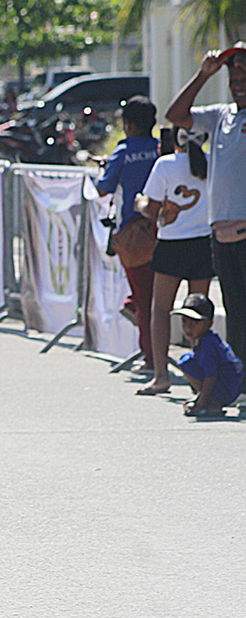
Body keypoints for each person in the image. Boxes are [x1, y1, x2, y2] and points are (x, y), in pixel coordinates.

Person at [165, 43, 246, 395]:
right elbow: (176, 115)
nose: (238, 82)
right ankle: (241, 388)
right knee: (236, 312)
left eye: (244, 75)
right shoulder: (221, 116)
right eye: (233, 76)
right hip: (222, 234)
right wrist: (203, 75)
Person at [134, 127, 214, 395]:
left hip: (172, 243)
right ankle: (200, 378)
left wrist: (139, 203)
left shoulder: (166, 164)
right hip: (203, 242)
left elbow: (151, 209)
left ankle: (161, 375)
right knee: (200, 312)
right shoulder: (212, 161)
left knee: (160, 310)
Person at [94, 95, 160, 371]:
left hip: (134, 236)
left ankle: (151, 359)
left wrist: (107, 167)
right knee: (156, 296)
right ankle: (132, 307)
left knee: (145, 301)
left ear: (128, 124)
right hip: (164, 230)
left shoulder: (123, 151)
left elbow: (103, 189)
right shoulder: (161, 148)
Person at [171, 293, 244, 416]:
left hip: (227, 387)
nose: (188, 327)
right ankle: (208, 399)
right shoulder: (203, 340)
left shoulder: (207, 345)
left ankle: (212, 403)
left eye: (194, 322)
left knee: (186, 363)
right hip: (228, 385)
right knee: (187, 359)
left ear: (209, 324)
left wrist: (201, 401)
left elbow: (211, 376)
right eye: (184, 321)